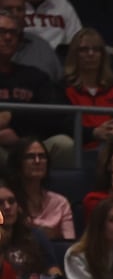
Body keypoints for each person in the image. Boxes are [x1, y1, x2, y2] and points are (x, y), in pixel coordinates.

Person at [0, 11, 69, 168]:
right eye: (2, 32)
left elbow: (55, 115)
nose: (8, 37)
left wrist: (12, 118)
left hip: (30, 144)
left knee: (64, 144)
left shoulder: (35, 76)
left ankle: (47, 192)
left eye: (13, 33)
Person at [60, 27, 113, 155]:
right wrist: (94, 133)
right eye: (84, 50)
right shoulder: (62, 88)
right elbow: (62, 125)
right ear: (74, 54)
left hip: (112, 150)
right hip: (78, 151)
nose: (91, 54)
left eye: (96, 49)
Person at [7, 135, 72, 239]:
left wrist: (56, 236)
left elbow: (69, 243)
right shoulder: (7, 202)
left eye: (42, 156)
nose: (37, 161)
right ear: (18, 163)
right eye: (30, 157)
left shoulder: (60, 202)